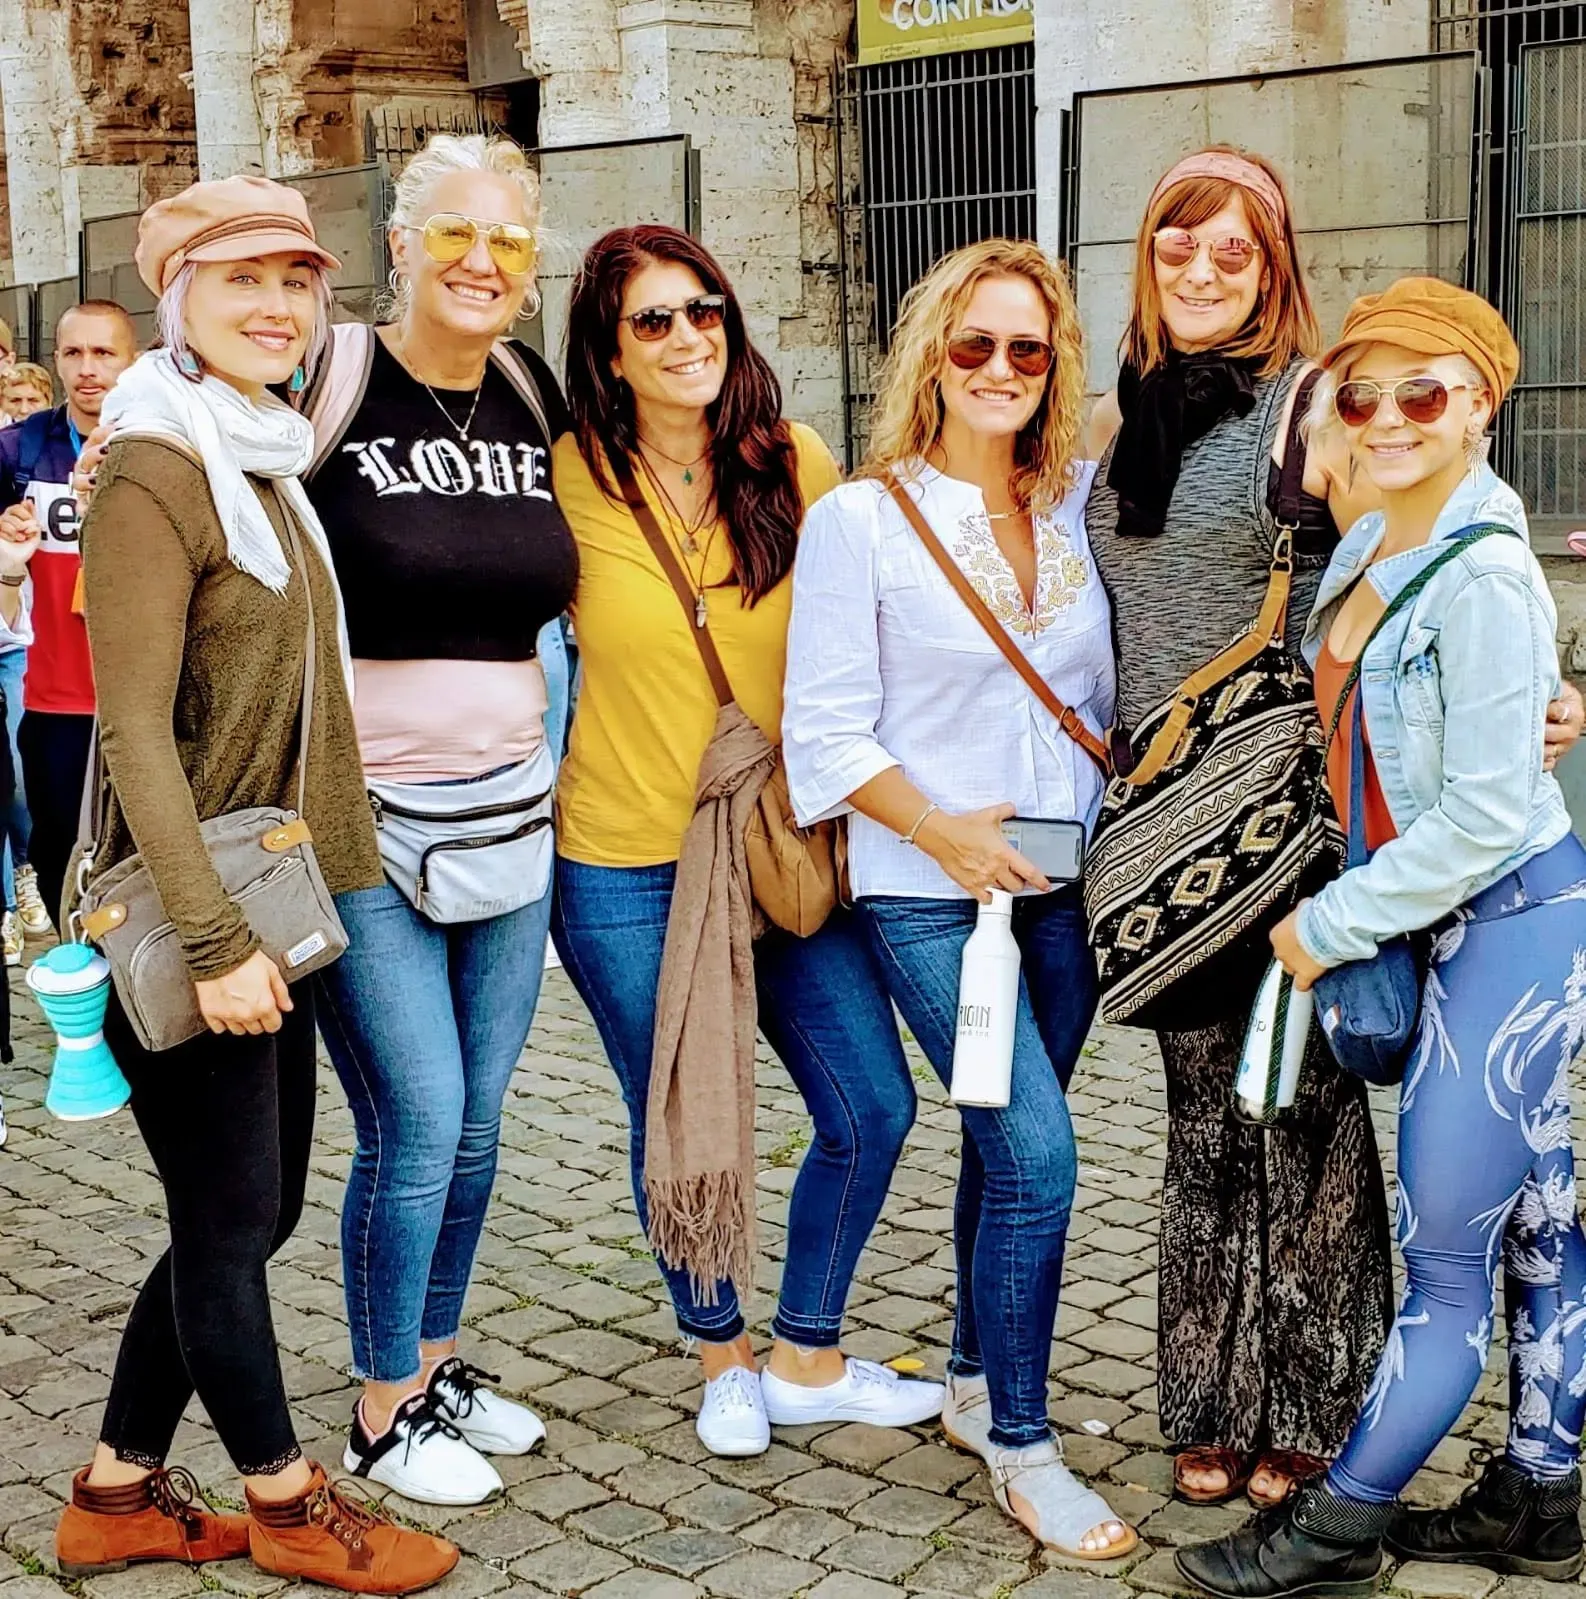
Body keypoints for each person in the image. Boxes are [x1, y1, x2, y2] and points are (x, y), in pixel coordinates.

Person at [1083, 146, 1586, 1510]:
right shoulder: (1115, 417)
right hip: (1165, 831)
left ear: (1275, 265)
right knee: (1202, 1121)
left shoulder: (1318, 400)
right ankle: (1204, 1396)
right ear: (1144, 258)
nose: (1201, 270)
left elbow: (1424, 533)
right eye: (1177, 244)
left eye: (1233, 250)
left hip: (1300, 824)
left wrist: (1532, 684)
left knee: (1304, 1115)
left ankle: (1307, 1404)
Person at [53, 176, 455, 1596]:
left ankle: (113, 1491)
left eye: (297, 282)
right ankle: (286, 1501)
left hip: (271, 898)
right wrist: (217, 939)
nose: (279, 306)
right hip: (198, 908)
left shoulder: (259, 453)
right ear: (181, 302)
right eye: (242, 283)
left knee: (253, 1213)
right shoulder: (156, 468)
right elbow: (131, 729)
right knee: (230, 1224)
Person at [1177, 280, 1586, 1598]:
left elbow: (1477, 816)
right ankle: (1539, 1488)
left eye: (1426, 390)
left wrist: (1323, 924)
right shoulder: (1374, 539)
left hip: (1503, 923)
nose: (1389, 415)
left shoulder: (1485, 578)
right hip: (1451, 914)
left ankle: (1331, 1530)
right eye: (1361, 392)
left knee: (1447, 1256)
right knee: (1538, 1212)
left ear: (1481, 404)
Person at [552, 223, 937, 1459]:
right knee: (672, 1113)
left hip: (778, 848)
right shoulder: (569, 474)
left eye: (702, 308)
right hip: (621, 857)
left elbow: (884, 624)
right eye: (651, 321)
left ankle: (806, 1351)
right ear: (610, 355)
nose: (685, 338)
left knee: (870, 1106)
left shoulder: (798, 461)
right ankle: (719, 1352)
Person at [783, 238, 1134, 1559]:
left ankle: (975, 1375)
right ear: (931, 354)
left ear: (1053, 371)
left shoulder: (1077, 507)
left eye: (1025, 349)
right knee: (1039, 1156)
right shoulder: (861, 520)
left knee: (1005, 1147)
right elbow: (823, 733)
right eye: (974, 343)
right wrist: (940, 828)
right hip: (936, 900)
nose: (998, 368)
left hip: (1062, 892)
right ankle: (1024, 1447)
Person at [300, 133, 572, 1509]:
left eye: (509, 242)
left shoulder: (528, 391)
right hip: (361, 824)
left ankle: (437, 1358)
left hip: (513, 812)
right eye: (454, 234)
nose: (482, 262)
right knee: (419, 1115)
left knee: (477, 1126)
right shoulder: (332, 375)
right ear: (398, 244)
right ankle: (376, 1405)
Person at [0, 301, 138, 937]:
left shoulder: (158, 445)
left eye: (104, 353)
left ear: (131, 360)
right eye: (74, 353)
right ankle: (82, 996)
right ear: (56, 360)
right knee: (61, 858)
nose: (89, 370)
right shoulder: (18, 451)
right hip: (56, 700)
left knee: (140, 861)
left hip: (146, 699)